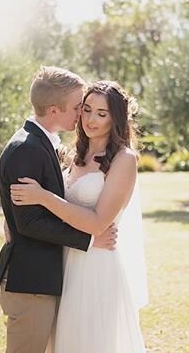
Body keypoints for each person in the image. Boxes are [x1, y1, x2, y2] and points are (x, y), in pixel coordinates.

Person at [10, 80, 148, 353]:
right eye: (86, 109)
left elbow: (98, 223)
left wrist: (43, 197)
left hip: (95, 267)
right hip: (61, 261)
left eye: (101, 113)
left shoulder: (124, 159)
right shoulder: (73, 155)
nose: (90, 119)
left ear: (116, 118)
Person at [0, 67, 118, 353]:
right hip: (31, 281)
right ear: (53, 110)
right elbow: (30, 223)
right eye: (78, 107)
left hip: (42, 277)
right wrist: (89, 240)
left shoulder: (41, 143)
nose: (82, 115)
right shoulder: (27, 149)